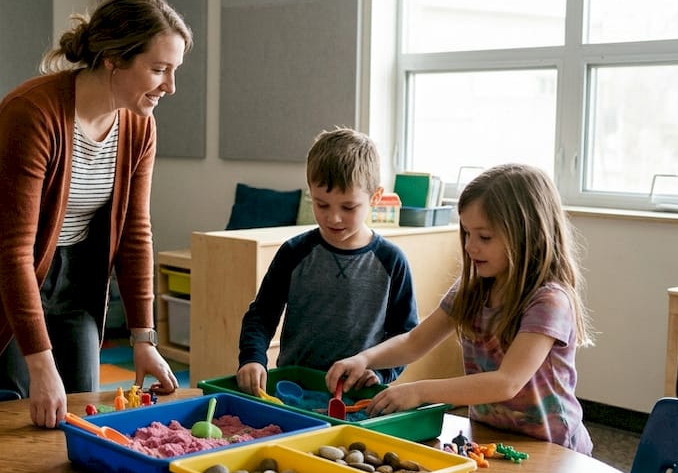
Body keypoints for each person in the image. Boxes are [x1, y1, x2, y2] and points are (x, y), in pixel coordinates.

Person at [0, 0, 190, 428]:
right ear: (113, 59)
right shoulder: (32, 114)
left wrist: (144, 338)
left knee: (78, 416)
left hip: (75, 283)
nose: (170, 86)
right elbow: (11, 252)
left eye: (174, 71)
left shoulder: (138, 125)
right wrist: (39, 364)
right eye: (159, 70)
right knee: (9, 421)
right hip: (0, 286)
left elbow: (135, 233)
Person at [326, 163, 594, 454]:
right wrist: (365, 359)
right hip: (490, 436)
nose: (470, 247)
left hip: (552, 447)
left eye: (484, 237)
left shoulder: (548, 301)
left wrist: (420, 392)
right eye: (466, 234)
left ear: (525, 234)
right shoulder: (474, 287)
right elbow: (415, 342)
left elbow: (507, 382)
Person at [236, 128, 418, 398]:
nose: (334, 218)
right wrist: (252, 358)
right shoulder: (294, 252)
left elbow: (405, 335)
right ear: (310, 191)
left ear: (375, 198)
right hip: (294, 390)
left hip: (357, 395)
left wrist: (380, 373)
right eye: (322, 205)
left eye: (348, 208)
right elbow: (261, 315)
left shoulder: (391, 261)